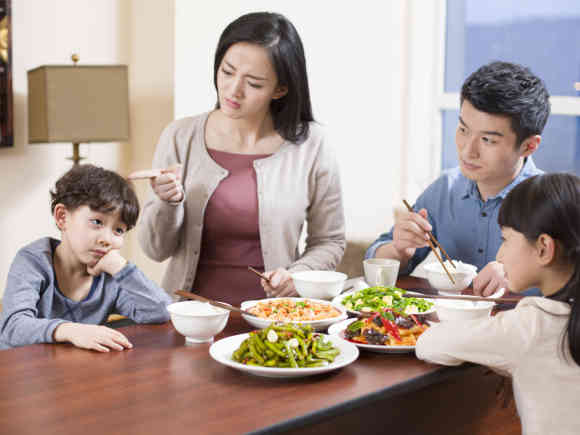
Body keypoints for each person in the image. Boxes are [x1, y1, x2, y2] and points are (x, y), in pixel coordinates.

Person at [138, 12, 345, 306]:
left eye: (254, 83)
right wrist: (166, 203)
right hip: (190, 320)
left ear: (281, 89)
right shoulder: (179, 136)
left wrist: (298, 276)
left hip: (276, 321)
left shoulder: (313, 145)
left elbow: (330, 242)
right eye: (227, 71)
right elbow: (155, 250)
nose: (233, 90)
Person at [366, 61, 550, 296]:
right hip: (451, 327)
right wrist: (399, 250)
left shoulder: (554, 203)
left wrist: (520, 276)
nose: (467, 151)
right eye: (463, 130)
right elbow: (376, 259)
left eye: (488, 140)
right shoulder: (446, 190)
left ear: (529, 146)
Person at [416, 173, 580, 434]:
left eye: (505, 240)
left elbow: (429, 345)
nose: (499, 255)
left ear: (543, 248)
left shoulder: (532, 324)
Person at [0, 164, 172, 352]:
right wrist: (71, 331)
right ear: (62, 217)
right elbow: (13, 327)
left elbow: (162, 312)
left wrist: (121, 268)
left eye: (119, 230)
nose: (106, 239)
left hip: (71, 370)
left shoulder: (110, 276)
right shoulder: (33, 261)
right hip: (19, 370)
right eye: (97, 222)